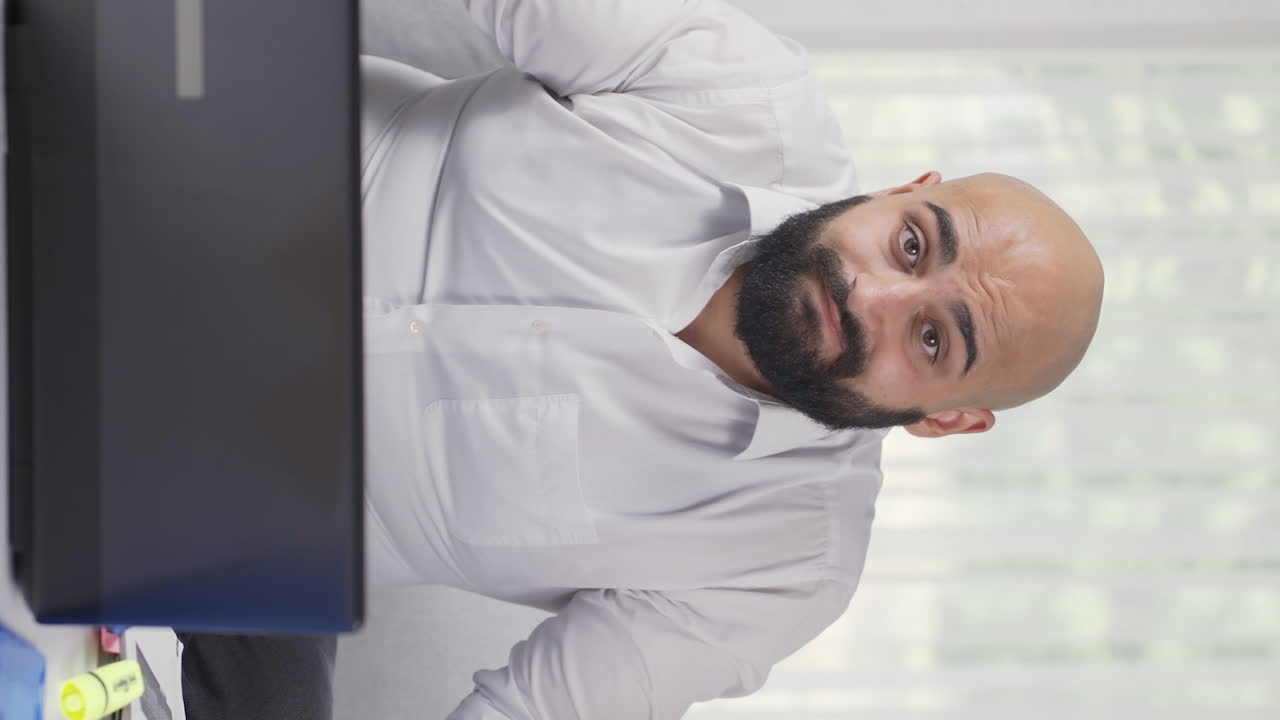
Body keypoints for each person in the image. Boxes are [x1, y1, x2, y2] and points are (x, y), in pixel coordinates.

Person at [180, 1, 1105, 718]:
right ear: (909, 191)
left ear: (948, 418)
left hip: (254, 521)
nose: (872, 297)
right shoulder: (742, 91)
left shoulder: (789, 565)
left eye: (935, 339)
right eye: (912, 245)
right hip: (223, 154)